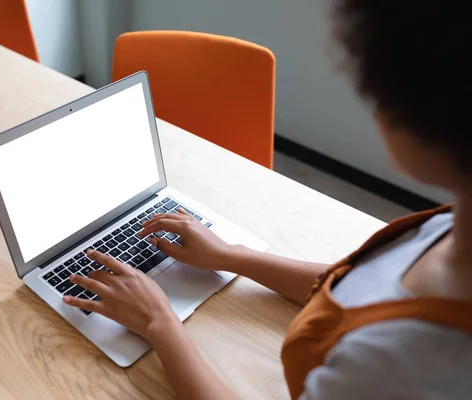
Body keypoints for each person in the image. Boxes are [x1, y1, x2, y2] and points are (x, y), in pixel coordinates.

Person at [63, 1, 472, 398]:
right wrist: (232, 256)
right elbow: (363, 288)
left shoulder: (392, 367)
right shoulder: (457, 226)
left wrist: (160, 323)